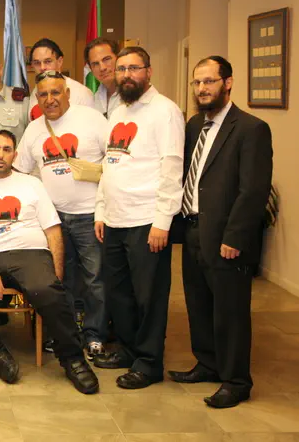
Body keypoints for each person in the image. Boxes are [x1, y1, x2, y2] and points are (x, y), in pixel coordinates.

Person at [0, 130, 100, 394]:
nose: (0, 155)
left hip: (30, 253)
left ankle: (73, 359)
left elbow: (53, 230)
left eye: (7, 150)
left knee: (47, 289)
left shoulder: (32, 184)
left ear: (15, 155)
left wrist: (57, 274)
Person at [167, 56, 273, 408]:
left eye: (209, 81)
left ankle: (236, 381)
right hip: (193, 229)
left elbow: (253, 190)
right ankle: (208, 363)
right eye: (197, 83)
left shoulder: (251, 129)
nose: (202, 89)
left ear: (228, 83)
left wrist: (235, 237)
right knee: (199, 304)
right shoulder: (194, 124)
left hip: (225, 237)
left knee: (230, 312)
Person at [94, 46, 184, 389]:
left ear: (149, 71)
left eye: (133, 68)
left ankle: (148, 363)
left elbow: (172, 167)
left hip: (147, 221)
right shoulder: (118, 111)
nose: (126, 75)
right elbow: (108, 164)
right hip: (115, 219)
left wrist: (163, 220)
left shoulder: (165, 111)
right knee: (120, 294)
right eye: (121, 69)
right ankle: (129, 350)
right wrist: (101, 210)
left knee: (149, 297)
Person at [14, 70, 111, 362]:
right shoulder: (34, 129)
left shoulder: (92, 119)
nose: (50, 99)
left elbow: (114, 162)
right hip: (53, 220)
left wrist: (104, 210)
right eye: (43, 94)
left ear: (67, 94)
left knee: (95, 280)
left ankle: (94, 336)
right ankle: (67, 335)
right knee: (60, 279)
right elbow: (20, 172)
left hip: (90, 215)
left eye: (55, 92)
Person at [27, 38, 95, 121]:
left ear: (59, 62)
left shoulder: (81, 94)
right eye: (37, 63)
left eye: (48, 61)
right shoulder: (35, 91)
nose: (42, 67)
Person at [85, 37, 121, 118]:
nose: (102, 68)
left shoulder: (133, 93)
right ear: (91, 69)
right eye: (95, 64)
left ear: (118, 59)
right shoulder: (94, 99)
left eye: (106, 59)